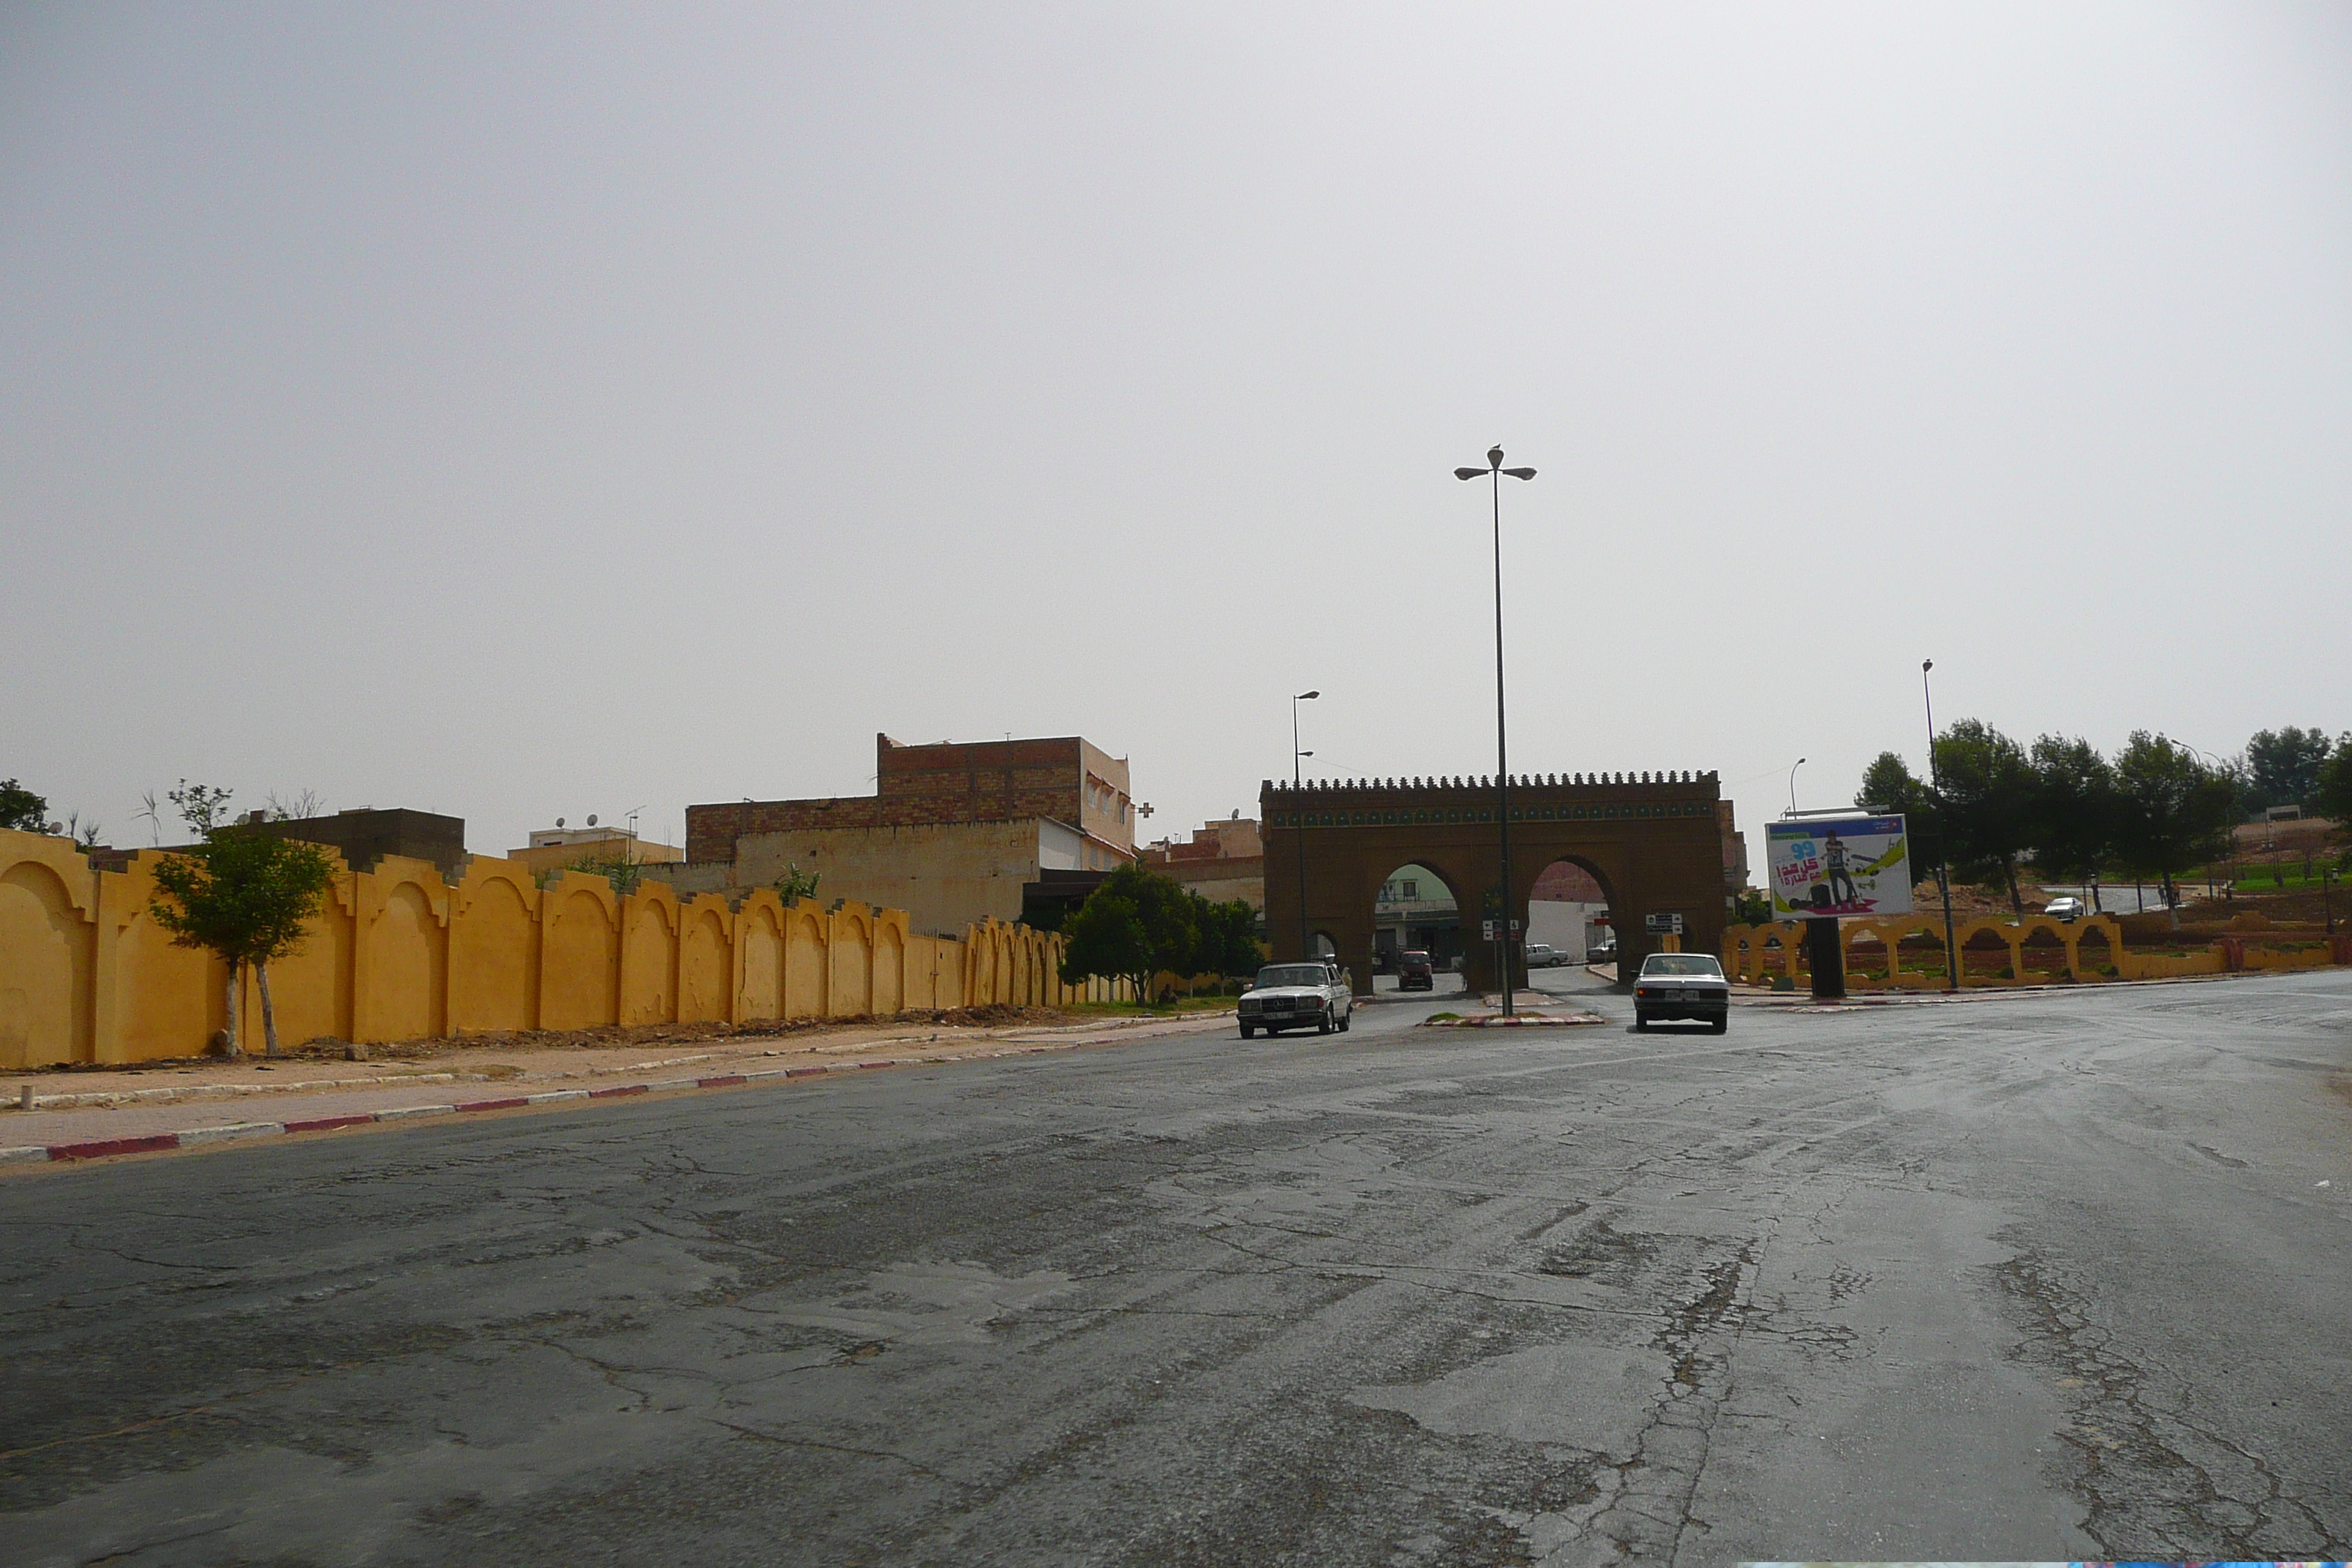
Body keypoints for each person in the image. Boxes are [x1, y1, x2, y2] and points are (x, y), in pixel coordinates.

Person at [1823, 830, 1860, 907]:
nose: (1831, 838)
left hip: (1840, 868)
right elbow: (1831, 847)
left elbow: (1836, 847)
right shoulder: (1828, 844)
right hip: (1832, 869)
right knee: (1835, 887)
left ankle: (1849, 901)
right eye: (1830, 837)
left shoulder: (1839, 843)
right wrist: (1843, 848)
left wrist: (1840, 848)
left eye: (1832, 837)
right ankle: (1838, 903)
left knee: (1849, 884)